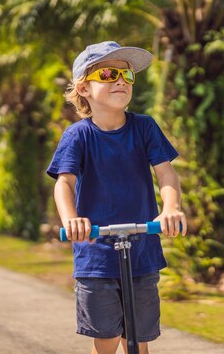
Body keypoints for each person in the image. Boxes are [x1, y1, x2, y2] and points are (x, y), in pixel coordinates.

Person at [46, 41, 187, 354]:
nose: (121, 80)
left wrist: (171, 209)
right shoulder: (78, 135)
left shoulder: (144, 127)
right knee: (108, 338)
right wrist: (72, 221)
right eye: (109, 74)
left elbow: (165, 174)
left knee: (138, 337)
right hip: (96, 255)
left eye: (126, 74)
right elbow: (64, 184)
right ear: (83, 88)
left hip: (142, 251)